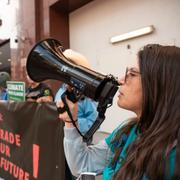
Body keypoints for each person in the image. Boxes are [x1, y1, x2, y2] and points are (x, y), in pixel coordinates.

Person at [57, 44, 180, 180]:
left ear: (158, 84)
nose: (121, 81)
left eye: (132, 74)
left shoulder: (173, 153)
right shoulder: (127, 131)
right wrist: (70, 121)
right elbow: (84, 164)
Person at [55, 49, 98, 136]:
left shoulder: (86, 95)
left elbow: (93, 120)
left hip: (79, 138)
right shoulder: (62, 89)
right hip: (60, 137)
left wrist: (72, 122)